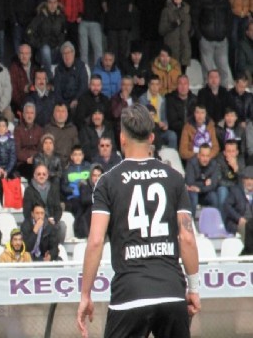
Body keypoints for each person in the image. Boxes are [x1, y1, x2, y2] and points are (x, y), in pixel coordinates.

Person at [77, 104, 200, 338]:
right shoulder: (174, 179)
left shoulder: (108, 182)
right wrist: (193, 289)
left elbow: (95, 241)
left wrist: (85, 295)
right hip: (171, 291)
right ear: (152, 137)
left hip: (129, 295)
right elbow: (186, 237)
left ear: (122, 138)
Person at [192, 0, 233, 87]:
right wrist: (199, 36)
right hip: (206, 39)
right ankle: (207, 95)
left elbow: (229, 16)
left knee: (224, 70)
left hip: (222, 39)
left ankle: (224, 94)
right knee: (207, 72)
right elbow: (195, 16)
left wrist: (226, 34)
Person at [100, 0, 136, 65]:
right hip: (111, 17)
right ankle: (112, 72)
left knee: (123, 49)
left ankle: (122, 71)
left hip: (124, 17)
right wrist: (106, 11)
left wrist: (129, 10)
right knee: (111, 49)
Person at [159, 0, 192, 72]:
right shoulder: (166, 11)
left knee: (182, 75)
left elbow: (189, 29)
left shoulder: (187, 12)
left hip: (184, 48)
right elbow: (161, 30)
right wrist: (173, 25)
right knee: (171, 74)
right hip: (172, 49)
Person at [140, 74, 177, 149]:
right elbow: (142, 119)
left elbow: (164, 117)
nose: (155, 87)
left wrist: (165, 125)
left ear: (160, 85)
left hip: (160, 130)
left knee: (172, 135)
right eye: (152, 84)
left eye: (157, 84)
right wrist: (156, 124)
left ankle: (171, 157)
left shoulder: (162, 99)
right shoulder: (142, 99)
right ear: (149, 85)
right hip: (149, 130)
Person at [185, 144, 220, 216]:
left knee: (214, 197)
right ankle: (191, 223)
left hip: (205, 192)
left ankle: (214, 223)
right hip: (193, 193)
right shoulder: (191, 163)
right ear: (198, 155)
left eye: (207, 156)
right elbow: (190, 183)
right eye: (203, 156)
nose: (205, 159)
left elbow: (213, 184)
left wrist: (200, 189)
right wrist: (204, 183)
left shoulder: (214, 164)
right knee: (193, 197)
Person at [53, 41, 88, 107]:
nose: (67, 56)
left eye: (68, 52)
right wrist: (63, 104)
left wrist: (76, 99)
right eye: (64, 53)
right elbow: (57, 90)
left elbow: (83, 87)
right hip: (63, 104)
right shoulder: (58, 69)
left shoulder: (81, 66)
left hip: (78, 101)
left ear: (73, 53)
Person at [14, 103, 44, 178]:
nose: (29, 115)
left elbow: (41, 150)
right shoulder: (18, 130)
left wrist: (34, 158)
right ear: (23, 115)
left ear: (35, 115)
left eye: (32, 113)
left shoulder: (39, 130)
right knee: (31, 170)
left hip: (37, 161)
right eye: (27, 113)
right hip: (22, 162)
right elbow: (17, 151)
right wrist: (27, 159)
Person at [166, 75, 198, 141]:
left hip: (194, 129)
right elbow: (172, 123)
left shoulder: (194, 99)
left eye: (185, 84)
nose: (183, 87)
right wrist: (188, 127)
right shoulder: (170, 99)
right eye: (180, 84)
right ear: (177, 86)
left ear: (188, 86)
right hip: (178, 131)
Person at [224, 165, 253, 235]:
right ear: (243, 180)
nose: (249, 182)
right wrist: (239, 218)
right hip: (237, 223)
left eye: (251, 179)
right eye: (247, 179)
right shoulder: (235, 191)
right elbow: (227, 206)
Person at [9, 43, 37, 115]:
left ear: (30, 55)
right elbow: (14, 93)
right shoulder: (13, 68)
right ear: (18, 55)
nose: (24, 56)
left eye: (27, 53)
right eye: (22, 53)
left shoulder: (35, 67)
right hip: (21, 104)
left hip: (36, 102)